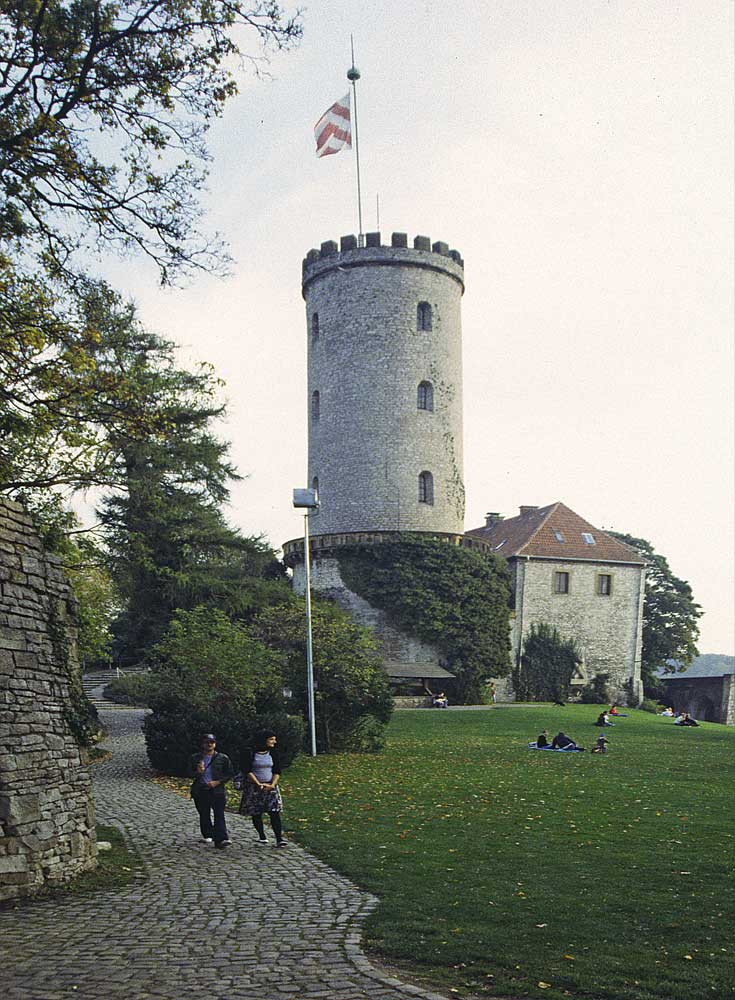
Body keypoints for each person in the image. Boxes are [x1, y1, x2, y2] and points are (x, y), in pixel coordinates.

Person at [239, 729, 288, 847]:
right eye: (271, 739)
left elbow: (277, 770)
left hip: (270, 786)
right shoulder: (250, 752)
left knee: (274, 812)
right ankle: (262, 835)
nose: (274, 742)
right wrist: (257, 784)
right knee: (256, 812)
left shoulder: (273, 753)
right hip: (254, 786)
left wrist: (272, 785)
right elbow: (247, 770)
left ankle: (279, 838)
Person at [189, 733, 235, 848]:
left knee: (219, 814)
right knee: (204, 814)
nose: (209, 744)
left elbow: (229, 773)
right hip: (201, 790)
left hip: (217, 790)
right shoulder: (195, 758)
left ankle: (222, 839)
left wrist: (218, 782)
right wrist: (198, 772)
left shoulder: (222, 758)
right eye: (207, 742)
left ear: (215, 744)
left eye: (212, 742)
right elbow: (188, 772)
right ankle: (208, 834)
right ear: (202, 744)